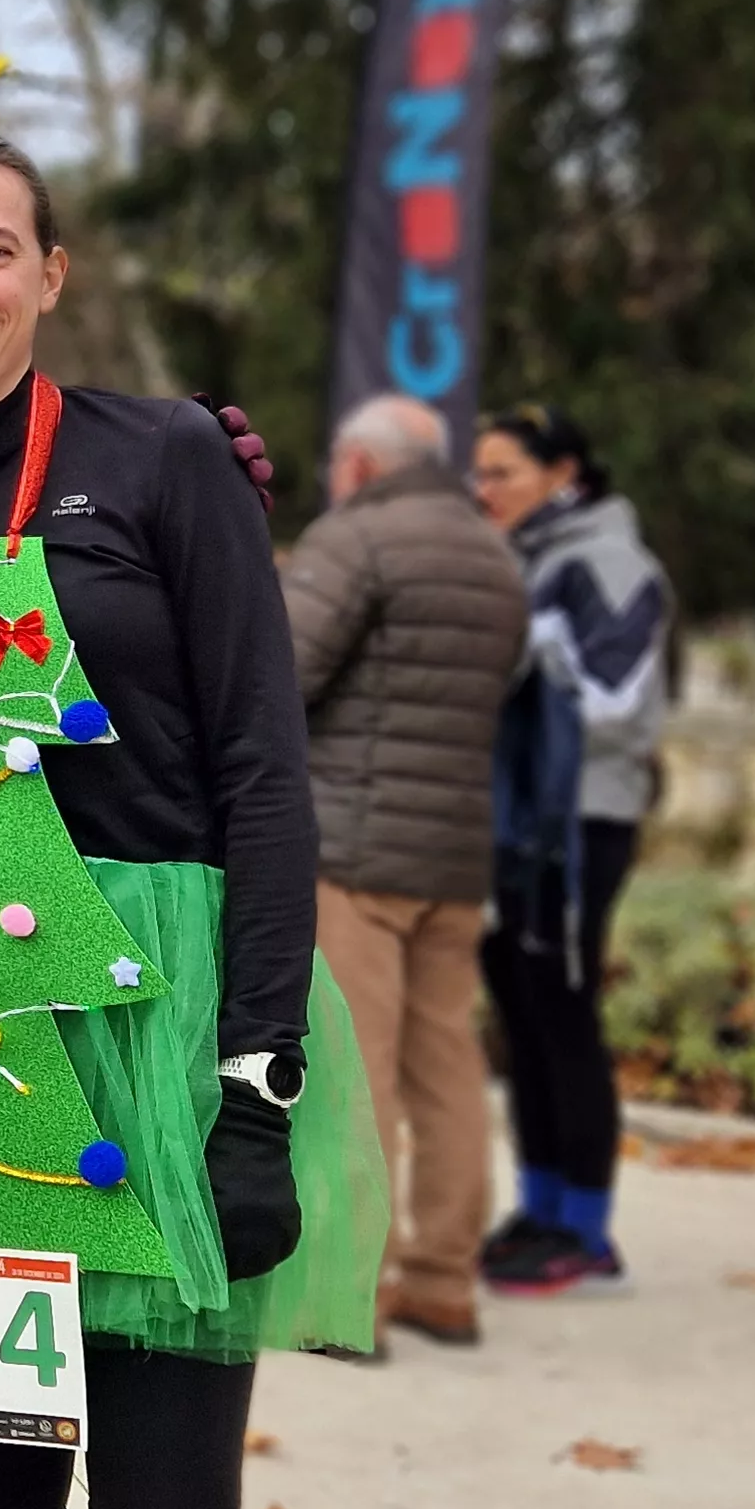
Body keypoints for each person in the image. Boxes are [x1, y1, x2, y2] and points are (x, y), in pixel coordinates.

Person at [0, 121, 377, 1509]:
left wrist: (258, 1084)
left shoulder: (172, 456)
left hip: (160, 1027)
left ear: (50, 274)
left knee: (165, 1494)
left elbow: (262, 772)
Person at [282, 394, 527, 1348]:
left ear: (359, 466)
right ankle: (445, 1280)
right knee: (447, 1066)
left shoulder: (358, 540)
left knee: (354, 1067)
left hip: (355, 847)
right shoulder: (492, 554)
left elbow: (284, 673)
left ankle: (357, 1293)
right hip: (456, 852)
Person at [466, 403, 668, 1298]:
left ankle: (586, 1227)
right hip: (515, 819)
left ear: (564, 474)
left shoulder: (605, 559)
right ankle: (539, 1207)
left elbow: (618, 697)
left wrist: (525, 650)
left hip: (582, 817)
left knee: (565, 1011)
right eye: (479, 473)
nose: (486, 489)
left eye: (504, 471)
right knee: (524, 1014)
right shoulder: (525, 557)